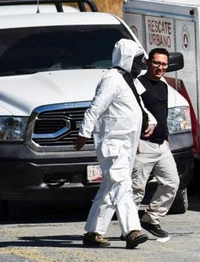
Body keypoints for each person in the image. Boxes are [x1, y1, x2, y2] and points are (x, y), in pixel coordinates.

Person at [74, 38, 156, 249]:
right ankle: (132, 231)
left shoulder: (129, 80)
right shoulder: (112, 79)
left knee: (110, 188)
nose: (143, 64)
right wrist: (84, 132)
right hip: (113, 144)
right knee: (122, 184)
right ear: (128, 58)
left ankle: (93, 232)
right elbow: (95, 108)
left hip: (127, 145)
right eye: (139, 59)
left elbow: (138, 106)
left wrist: (151, 120)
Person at [132, 47, 180, 238]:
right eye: (157, 63)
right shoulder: (138, 84)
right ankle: (131, 229)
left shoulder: (163, 85)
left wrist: (166, 137)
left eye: (164, 64)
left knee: (171, 183)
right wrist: (134, 139)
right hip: (143, 144)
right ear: (148, 62)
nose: (160, 67)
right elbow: (134, 113)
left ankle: (151, 218)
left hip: (161, 145)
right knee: (136, 188)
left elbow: (163, 114)